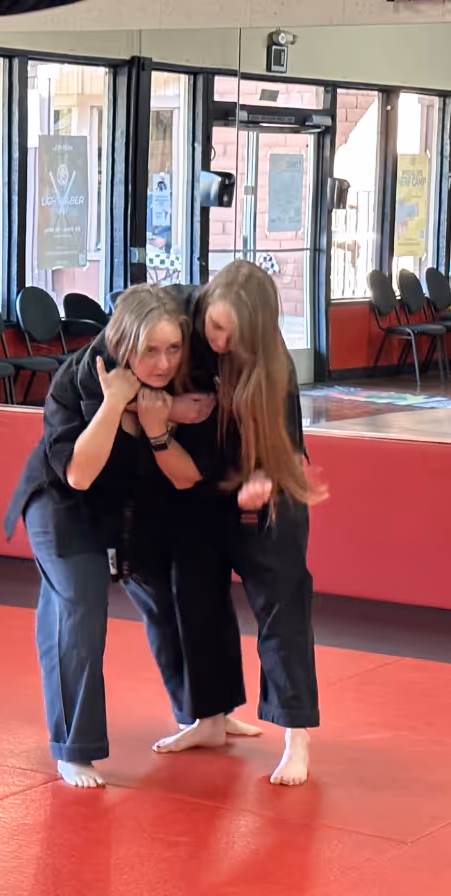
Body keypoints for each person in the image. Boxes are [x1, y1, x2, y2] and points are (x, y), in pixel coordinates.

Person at [3, 284, 249, 789]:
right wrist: (117, 404)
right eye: (149, 351)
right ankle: (74, 748)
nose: (162, 363)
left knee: (172, 593)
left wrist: (158, 417)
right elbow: (78, 474)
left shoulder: (184, 377)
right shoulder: (78, 379)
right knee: (81, 605)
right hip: (63, 506)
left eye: (172, 349)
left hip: (126, 509)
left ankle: (202, 713)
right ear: (123, 344)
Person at [148, 260, 321, 787]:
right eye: (215, 326)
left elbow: (288, 445)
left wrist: (266, 477)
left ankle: (297, 734)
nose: (218, 340)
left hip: (265, 493)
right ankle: (210, 717)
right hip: (199, 485)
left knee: (281, 607)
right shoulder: (180, 315)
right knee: (194, 596)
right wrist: (170, 407)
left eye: (232, 333)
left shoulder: (274, 365)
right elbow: (126, 323)